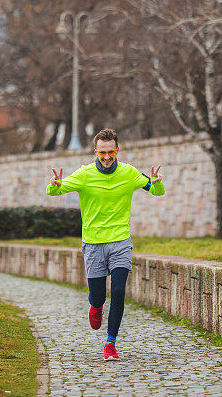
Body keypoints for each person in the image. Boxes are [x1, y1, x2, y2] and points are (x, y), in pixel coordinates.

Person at [46, 128, 164, 361]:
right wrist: (55, 184)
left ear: (117, 150)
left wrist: (157, 183)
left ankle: (110, 344)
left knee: (119, 291)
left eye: (111, 152)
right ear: (96, 152)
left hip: (120, 241)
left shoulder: (128, 173)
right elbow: (56, 190)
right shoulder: (84, 174)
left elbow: (156, 190)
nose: (107, 157)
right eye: (102, 153)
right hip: (93, 244)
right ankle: (96, 306)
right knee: (98, 296)